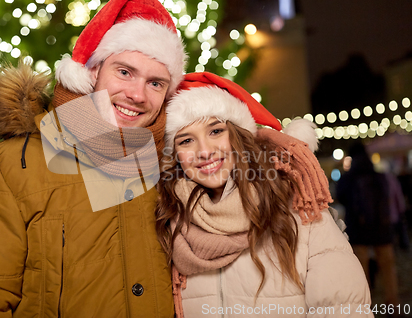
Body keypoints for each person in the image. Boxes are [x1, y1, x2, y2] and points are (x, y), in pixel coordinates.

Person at [0, 0, 186, 317]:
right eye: (124, 72)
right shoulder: (6, 168)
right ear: (92, 72)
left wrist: (271, 144)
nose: (138, 94)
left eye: (156, 83)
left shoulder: (174, 169)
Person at [156, 72, 372, 317]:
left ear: (237, 135)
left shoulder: (299, 210)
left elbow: (344, 309)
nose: (204, 151)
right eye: (186, 140)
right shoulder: (170, 221)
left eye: (216, 131)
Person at [337, 142, 400, 311]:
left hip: (359, 230)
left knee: (361, 272)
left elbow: (341, 197)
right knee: (388, 268)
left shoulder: (348, 178)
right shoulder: (380, 176)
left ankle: (365, 307)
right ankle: (392, 304)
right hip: (382, 229)